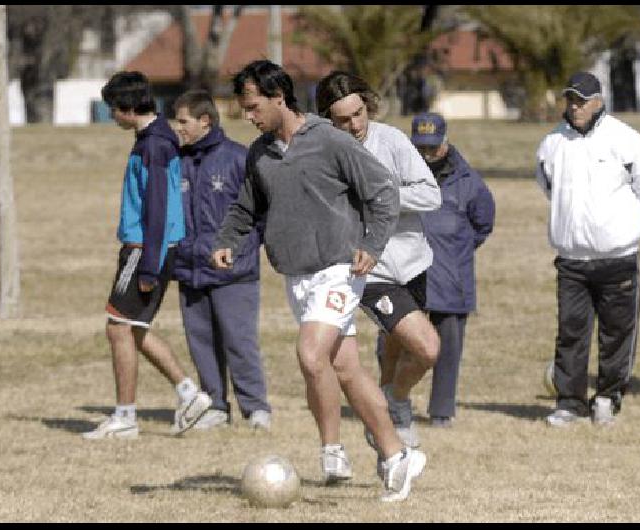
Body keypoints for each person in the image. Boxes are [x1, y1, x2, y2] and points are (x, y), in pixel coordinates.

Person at [211, 60, 426, 502]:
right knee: (343, 366)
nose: (249, 117)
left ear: (278, 97)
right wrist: (229, 239)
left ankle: (333, 449)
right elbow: (246, 208)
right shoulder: (261, 153)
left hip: (339, 268)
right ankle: (396, 452)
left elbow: (383, 191)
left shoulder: (329, 140)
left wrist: (373, 243)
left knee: (311, 354)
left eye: (253, 107)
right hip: (298, 275)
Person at [315, 71, 442, 451]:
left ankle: (386, 416)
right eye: (342, 119)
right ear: (328, 119)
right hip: (371, 269)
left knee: (397, 350)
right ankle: (398, 403)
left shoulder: (392, 140)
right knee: (428, 348)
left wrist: (384, 197)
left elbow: (431, 195)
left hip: (414, 262)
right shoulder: (324, 153)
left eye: (358, 113)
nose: (354, 125)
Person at [83, 71, 212, 440]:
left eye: (113, 110)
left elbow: (157, 208)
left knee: (118, 328)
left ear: (128, 108)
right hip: (147, 250)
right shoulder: (152, 139)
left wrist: (149, 268)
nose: (111, 116)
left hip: (145, 252)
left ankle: (125, 418)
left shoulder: (154, 145)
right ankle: (189, 394)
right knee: (132, 329)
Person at [535, 71, 640, 427]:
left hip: (617, 257)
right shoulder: (552, 144)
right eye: (570, 100)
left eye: (582, 100)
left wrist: (620, 224)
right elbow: (549, 187)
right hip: (572, 260)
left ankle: (608, 397)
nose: (575, 107)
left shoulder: (627, 140)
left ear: (599, 101)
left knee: (617, 332)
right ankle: (569, 403)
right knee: (571, 331)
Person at [172, 89, 272, 431]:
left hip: (234, 273)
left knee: (238, 341)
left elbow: (260, 213)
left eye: (183, 121)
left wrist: (243, 251)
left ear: (205, 121)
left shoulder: (238, 159)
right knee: (201, 341)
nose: (178, 127)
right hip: (190, 269)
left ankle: (256, 407)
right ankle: (215, 404)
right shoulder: (178, 160)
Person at [410, 112, 496, 428]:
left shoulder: (469, 182)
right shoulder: (401, 173)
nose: (427, 155)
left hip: (452, 280)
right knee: (393, 343)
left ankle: (442, 410)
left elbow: (483, 223)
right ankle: (394, 400)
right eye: (420, 148)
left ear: (445, 143)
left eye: (432, 148)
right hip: (408, 278)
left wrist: (456, 250)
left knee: (448, 350)